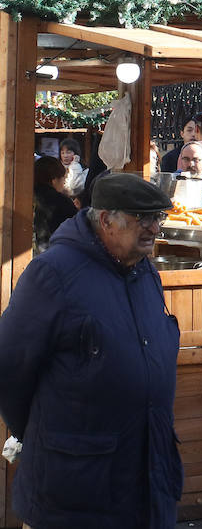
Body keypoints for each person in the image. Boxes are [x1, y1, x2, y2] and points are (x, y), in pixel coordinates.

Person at [0, 173, 183, 527]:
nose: (154, 228)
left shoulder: (145, 271)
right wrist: (40, 433)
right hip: (76, 486)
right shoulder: (53, 273)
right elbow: (9, 365)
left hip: (147, 477)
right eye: (142, 219)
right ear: (105, 220)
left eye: (158, 218)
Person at [33, 155, 77, 253]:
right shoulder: (61, 201)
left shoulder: (25, 196)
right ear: (54, 180)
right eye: (63, 179)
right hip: (55, 255)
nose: (64, 183)